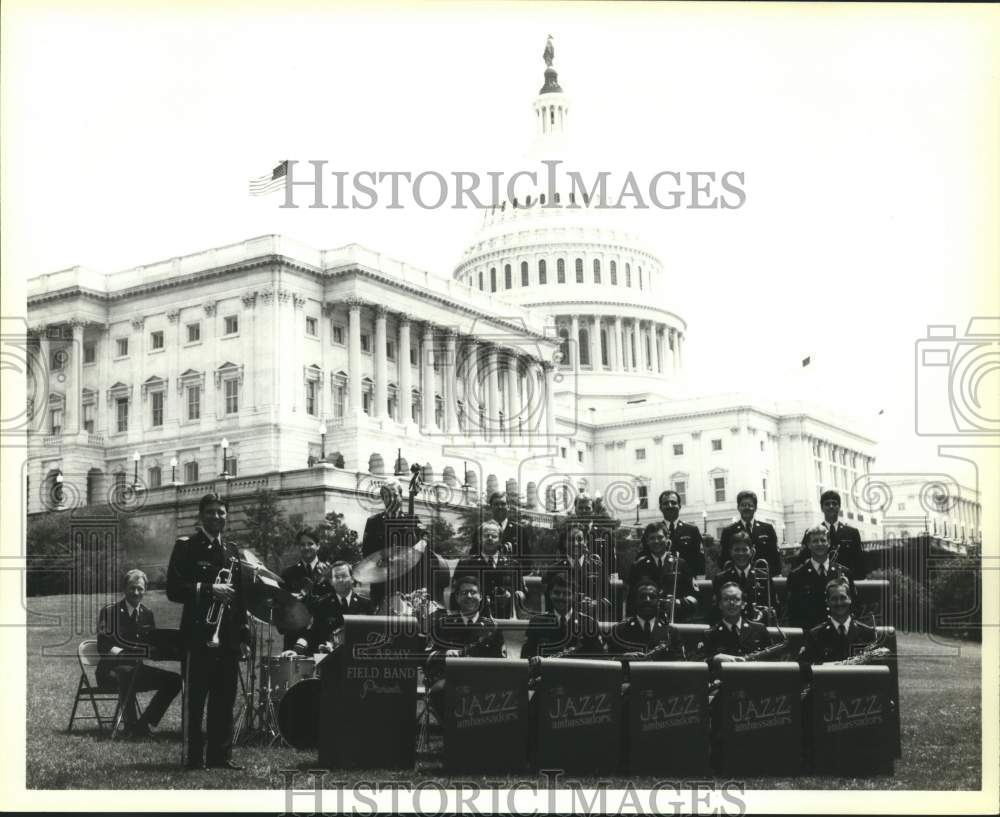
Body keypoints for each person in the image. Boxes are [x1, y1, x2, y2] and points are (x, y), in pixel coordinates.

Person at [166, 493, 250, 770]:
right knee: (196, 699)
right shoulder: (186, 547)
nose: (217, 517)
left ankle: (220, 756)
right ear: (201, 516)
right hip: (197, 636)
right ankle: (193, 758)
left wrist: (244, 636)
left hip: (226, 637)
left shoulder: (232, 551)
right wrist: (209, 589)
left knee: (224, 699)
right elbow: (174, 590)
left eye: (221, 512)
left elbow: (240, 600)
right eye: (211, 512)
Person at [96, 569, 181, 738]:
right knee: (126, 672)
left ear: (145, 590)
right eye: (132, 588)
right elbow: (103, 646)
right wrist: (125, 655)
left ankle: (144, 724)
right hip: (110, 671)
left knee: (175, 680)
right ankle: (130, 726)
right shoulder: (109, 612)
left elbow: (152, 644)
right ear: (124, 589)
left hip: (137, 671)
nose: (136, 592)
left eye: (140, 589)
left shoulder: (147, 614)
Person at [424, 574, 505, 717]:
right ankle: (451, 732)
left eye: (473, 592)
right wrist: (446, 654)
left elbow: (501, 662)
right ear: (456, 598)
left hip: (482, 681)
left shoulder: (492, 627)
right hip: (449, 679)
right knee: (440, 692)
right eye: (464, 593)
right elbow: (428, 657)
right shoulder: (442, 624)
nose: (469, 596)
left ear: (480, 597)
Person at [360, 478, 444, 610]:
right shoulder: (373, 522)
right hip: (382, 586)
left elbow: (427, 538)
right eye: (387, 495)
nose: (391, 499)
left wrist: (419, 546)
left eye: (395, 495)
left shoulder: (412, 520)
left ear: (401, 497)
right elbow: (366, 553)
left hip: (409, 585)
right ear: (383, 498)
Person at [283, 561, 375, 656]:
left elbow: (373, 634)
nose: (340, 580)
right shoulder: (321, 604)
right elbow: (311, 633)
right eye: (336, 577)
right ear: (331, 581)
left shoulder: (366, 604)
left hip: (357, 659)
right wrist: (296, 650)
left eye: (344, 576)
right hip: (329, 660)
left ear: (352, 578)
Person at [521, 572, 605, 661]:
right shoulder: (537, 623)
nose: (561, 597)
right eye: (557, 593)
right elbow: (526, 658)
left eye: (566, 593)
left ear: (574, 596)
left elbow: (600, 660)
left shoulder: (589, 624)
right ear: (550, 594)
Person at [786, 525, 855, 629]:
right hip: (810, 635)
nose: (819, 544)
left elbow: (854, 606)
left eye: (823, 540)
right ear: (808, 544)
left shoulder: (844, 573)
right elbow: (793, 613)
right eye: (815, 541)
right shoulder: (796, 576)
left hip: (838, 632)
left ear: (829, 543)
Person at [625, 522, 698, 622]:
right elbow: (631, 600)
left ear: (667, 538)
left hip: (675, 622)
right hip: (647, 623)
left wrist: (679, 602)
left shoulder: (680, 564)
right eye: (652, 538)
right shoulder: (638, 566)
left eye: (660, 537)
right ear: (647, 541)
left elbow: (694, 597)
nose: (656, 541)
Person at [540, 523, 613, 621]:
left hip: (591, 623)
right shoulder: (554, 569)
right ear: (564, 543)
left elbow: (609, 599)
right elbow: (549, 603)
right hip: (563, 624)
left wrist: (594, 604)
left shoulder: (597, 567)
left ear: (586, 541)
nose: (575, 543)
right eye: (571, 540)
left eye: (579, 539)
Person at [798, 578, 879, 666]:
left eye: (843, 598)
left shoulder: (867, 633)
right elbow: (805, 667)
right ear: (827, 602)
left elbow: (876, 670)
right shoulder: (815, 635)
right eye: (834, 599)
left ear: (850, 599)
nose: (839, 603)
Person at [455, 520, 525, 618]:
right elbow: (455, 595)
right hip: (474, 620)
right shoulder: (465, 564)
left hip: (505, 620)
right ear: (479, 539)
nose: (490, 538)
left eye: (494, 536)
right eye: (486, 535)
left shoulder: (513, 565)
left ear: (500, 540)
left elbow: (522, 594)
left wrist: (512, 596)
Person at [793, 490, 867, 579]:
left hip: (845, 582)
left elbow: (859, 563)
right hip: (820, 582)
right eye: (827, 504)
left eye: (834, 504)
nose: (831, 506)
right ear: (822, 508)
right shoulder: (811, 532)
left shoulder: (852, 533)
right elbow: (803, 560)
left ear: (839, 507)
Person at [606, 579, 685, 661]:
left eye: (652, 597)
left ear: (658, 601)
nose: (647, 600)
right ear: (635, 601)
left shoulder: (671, 633)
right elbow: (606, 663)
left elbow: (681, 664)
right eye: (642, 596)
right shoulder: (619, 631)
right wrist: (622, 658)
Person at [710, 531, 780, 623]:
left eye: (744, 550)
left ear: (751, 551)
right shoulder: (721, 579)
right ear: (730, 552)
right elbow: (715, 612)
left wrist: (764, 614)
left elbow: (775, 608)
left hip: (757, 630)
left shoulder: (764, 577)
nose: (741, 554)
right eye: (737, 550)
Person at [699, 582, 774, 666]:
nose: (731, 603)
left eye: (736, 599)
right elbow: (700, 666)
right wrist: (715, 659)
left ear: (743, 604)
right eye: (726, 599)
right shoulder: (710, 635)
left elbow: (772, 661)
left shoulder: (759, 629)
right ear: (720, 605)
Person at [280, 529, 329, 650]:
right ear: (298, 547)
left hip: (322, 637)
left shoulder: (329, 572)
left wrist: (327, 580)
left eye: (310, 543)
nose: (306, 547)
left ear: (318, 546)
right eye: (302, 545)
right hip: (294, 638)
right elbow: (279, 605)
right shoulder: (288, 574)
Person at [718, 490, 782, 577]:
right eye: (743, 505)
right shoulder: (728, 531)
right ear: (738, 508)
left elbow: (775, 558)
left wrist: (773, 576)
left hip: (763, 578)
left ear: (755, 508)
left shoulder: (767, 529)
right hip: (737, 578)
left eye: (750, 505)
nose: (746, 508)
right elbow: (724, 559)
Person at [470, 491, 535, 562]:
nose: (500, 507)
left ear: (508, 507)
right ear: (490, 507)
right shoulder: (481, 530)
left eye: (503, 504)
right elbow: (473, 557)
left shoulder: (520, 531)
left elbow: (526, 561)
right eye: (496, 504)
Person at [656, 489, 705, 576]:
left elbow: (699, 559)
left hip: (687, 580)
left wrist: (700, 581)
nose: (670, 506)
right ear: (660, 508)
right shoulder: (655, 531)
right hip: (661, 580)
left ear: (679, 506)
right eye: (665, 503)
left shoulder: (692, 530)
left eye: (673, 503)